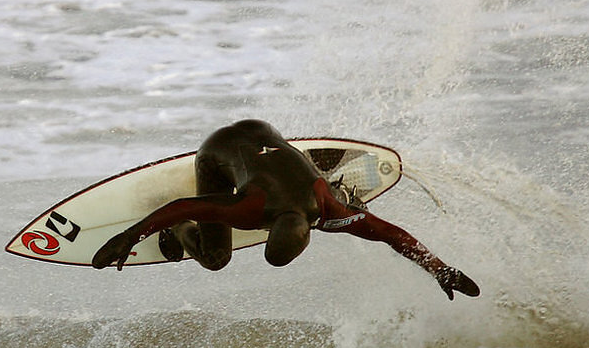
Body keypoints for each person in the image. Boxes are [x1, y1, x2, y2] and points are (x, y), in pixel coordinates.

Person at [92, 119, 480, 300]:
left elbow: (394, 236)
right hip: (219, 151)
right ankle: (180, 237)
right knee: (215, 258)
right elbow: (179, 207)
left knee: (331, 195)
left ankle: (328, 176)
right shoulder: (249, 209)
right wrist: (129, 237)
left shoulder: (331, 210)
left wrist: (439, 269)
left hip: (265, 133)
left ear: (311, 228)